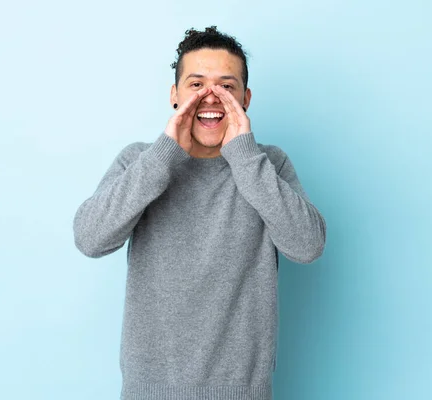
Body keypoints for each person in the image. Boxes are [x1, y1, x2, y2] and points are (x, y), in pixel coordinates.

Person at [73, 25, 327, 400]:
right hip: (149, 392)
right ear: (174, 94)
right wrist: (163, 156)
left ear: (246, 98)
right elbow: (90, 238)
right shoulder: (139, 162)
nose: (211, 97)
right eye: (196, 85)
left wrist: (243, 156)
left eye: (226, 86)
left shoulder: (268, 164)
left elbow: (307, 246)